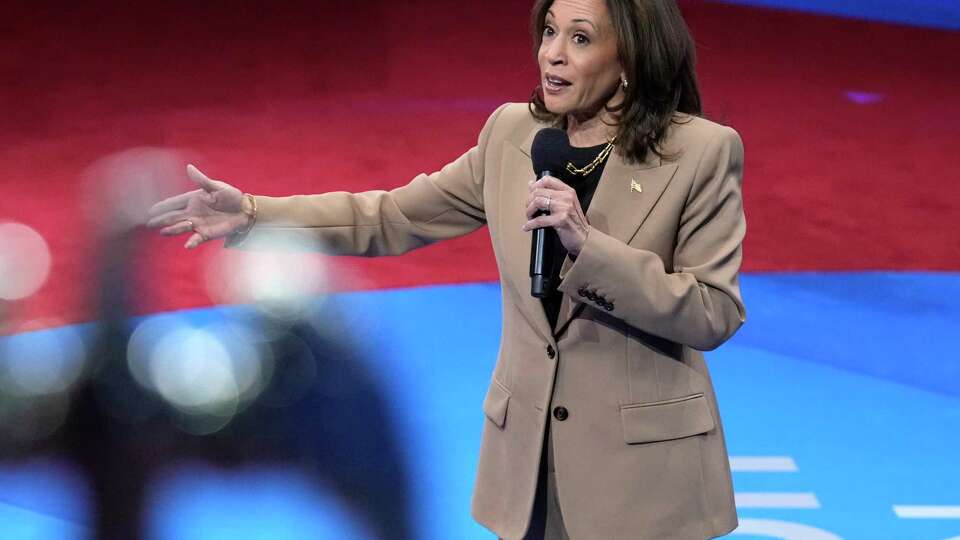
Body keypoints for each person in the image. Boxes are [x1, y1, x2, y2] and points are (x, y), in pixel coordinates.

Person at [147, 0, 747, 538]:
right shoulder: (513, 135)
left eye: (581, 38)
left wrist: (588, 247)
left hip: (643, 483)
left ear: (630, 59)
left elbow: (712, 311)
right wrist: (254, 215)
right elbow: (390, 216)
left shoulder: (700, 153)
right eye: (548, 31)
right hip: (531, 473)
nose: (553, 55)